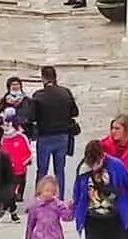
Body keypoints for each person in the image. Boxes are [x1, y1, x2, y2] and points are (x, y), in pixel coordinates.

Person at [29, 66, 79, 199]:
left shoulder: (38, 95)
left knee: (42, 170)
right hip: (62, 136)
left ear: (43, 78)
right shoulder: (66, 93)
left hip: (45, 136)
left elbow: (32, 116)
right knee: (60, 170)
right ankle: (59, 199)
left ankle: (39, 198)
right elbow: (75, 112)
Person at [72, 139, 128, 239]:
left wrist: (127, 204)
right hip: (92, 219)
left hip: (115, 218)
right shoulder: (83, 168)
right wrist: (78, 211)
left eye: (97, 162)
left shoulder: (116, 165)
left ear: (102, 156)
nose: (93, 166)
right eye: (91, 163)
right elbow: (77, 192)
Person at [0, 108, 32, 221]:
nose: (7, 126)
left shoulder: (21, 137)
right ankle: (11, 211)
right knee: (9, 191)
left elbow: (28, 152)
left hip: (18, 170)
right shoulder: (3, 139)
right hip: (5, 171)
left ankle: (6, 209)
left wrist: (22, 163)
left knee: (11, 191)